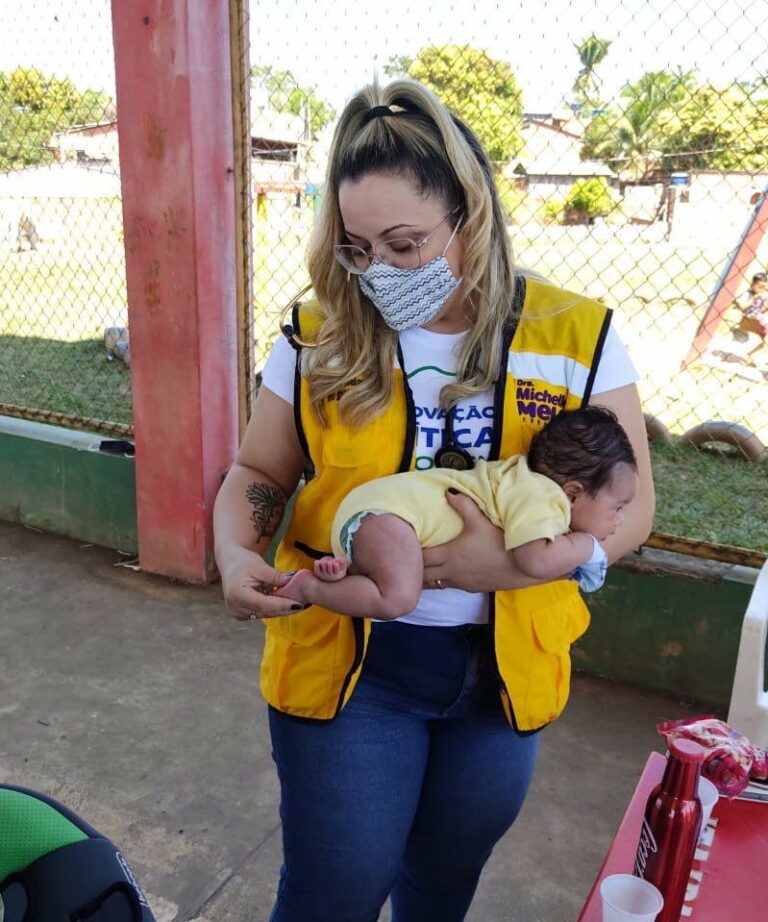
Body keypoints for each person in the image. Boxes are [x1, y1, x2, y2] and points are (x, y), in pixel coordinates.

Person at [213, 78, 654, 922]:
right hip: (352, 666)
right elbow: (259, 475)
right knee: (334, 894)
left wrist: (529, 564)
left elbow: (631, 504)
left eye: (405, 242)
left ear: (471, 216)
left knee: (442, 888)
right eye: (357, 246)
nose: (379, 269)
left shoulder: (576, 336)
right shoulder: (320, 336)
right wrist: (236, 555)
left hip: (503, 679)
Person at [275, 406, 639, 617]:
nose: (619, 520)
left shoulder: (521, 480)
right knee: (398, 598)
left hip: (379, 512)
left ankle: (342, 574)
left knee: (389, 578)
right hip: (388, 515)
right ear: (574, 492)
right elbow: (535, 561)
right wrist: (587, 547)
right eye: (617, 506)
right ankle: (309, 588)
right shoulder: (546, 497)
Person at [736, 271, 768, 363]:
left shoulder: (763, 294)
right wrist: (753, 300)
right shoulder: (747, 294)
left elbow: (762, 310)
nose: (762, 289)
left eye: (764, 287)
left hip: (761, 321)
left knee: (765, 343)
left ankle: (749, 355)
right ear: (753, 284)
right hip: (751, 320)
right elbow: (742, 308)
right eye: (760, 287)